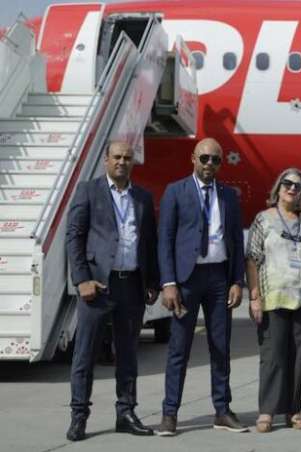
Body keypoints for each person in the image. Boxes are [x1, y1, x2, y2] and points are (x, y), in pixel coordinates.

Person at [65, 140, 160, 441]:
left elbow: (149, 242)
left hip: (131, 284)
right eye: (117, 157)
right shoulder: (88, 191)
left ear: (133, 162)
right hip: (97, 285)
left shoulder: (142, 197)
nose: (122, 162)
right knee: (85, 354)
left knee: (128, 354)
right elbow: (74, 237)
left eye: (127, 158)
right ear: (106, 160)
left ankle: (126, 413)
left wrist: (152, 281)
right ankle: (79, 416)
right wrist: (81, 279)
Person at [156, 137, 247, 436]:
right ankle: (170, 413)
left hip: (219, 278)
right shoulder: (175, 191)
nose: (210, 164)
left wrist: (237, 281)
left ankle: (222, 410)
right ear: (193, 158)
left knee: (220, 347)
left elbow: (236, 240)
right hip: (187, 280)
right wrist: (169, 283)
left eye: (216, 160)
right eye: (205, 158)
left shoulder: (228, 195)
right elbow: (165, 240)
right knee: (179, 348)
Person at [246, 168, 301, 432]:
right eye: (287, 183)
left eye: (298, 185)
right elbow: (253, 258)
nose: (292, 188)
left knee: (298, 357)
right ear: (278, 188)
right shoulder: (264, 219)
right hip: (273, 297)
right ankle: (267, 411)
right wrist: (254, 296)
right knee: (273, 356)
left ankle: (293, 410)